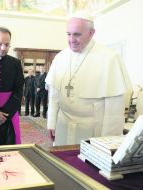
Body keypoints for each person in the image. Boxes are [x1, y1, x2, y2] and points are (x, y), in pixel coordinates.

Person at [45, 12, 132, 146]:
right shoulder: (60, 57)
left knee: (87, 166)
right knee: (62, 161)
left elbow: (114, 109)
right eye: (68, 34)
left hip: (93, 129)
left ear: (91, 33)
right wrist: (52, 122)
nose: (71, 39)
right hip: (63, 124)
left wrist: (108, 141)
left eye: (77, 34)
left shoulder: (109, 58)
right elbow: (54, 94)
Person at [0, 27, 24, 145]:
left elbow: (18, 91)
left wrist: (5, 113)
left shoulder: (15, 63)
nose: (3, 48)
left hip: (9, 113)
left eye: (7, 45)